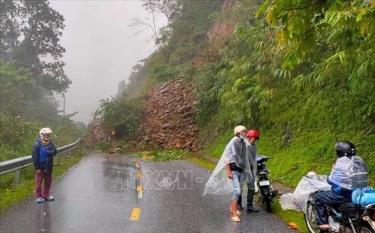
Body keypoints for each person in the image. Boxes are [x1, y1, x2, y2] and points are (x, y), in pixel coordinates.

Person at [315, 141, 368, 230]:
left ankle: (323, 224)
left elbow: (332, 181)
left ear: (339, 152)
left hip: (342, 195)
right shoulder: (358, 161)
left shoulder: (342, 162)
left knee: (318, 197)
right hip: (357, 193)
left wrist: (332, 171)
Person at [223, 125, 248, 222]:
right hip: (233, 170)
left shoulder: (242, 142)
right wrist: (228, 171)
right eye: (243, 132)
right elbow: (227, 157)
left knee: (239, 190)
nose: (245, 134)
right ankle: (234, 214)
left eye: (245, 132)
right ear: (238, 133)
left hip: (240, 170)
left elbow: (243, 157)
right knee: (237, 191)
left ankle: (232, 208)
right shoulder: (234, 141)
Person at [32, 127, 57, 204]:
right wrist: (37, 167)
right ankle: (38, 196)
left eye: (48, 135)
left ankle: (46, 195)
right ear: (41, 135)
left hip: (49, 167)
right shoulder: (37, 144)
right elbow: (35, 157)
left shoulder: (51, 143)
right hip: (40, 167)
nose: (47, 136)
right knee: (38, 183)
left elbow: (55, 152)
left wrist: (51, 151)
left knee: (48, 182)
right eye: (45, 135)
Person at [238, 129, 260, 213]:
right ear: (249, 137)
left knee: (251, 187)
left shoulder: (253, 146)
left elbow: (254, 158)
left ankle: (249, 206)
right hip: (243, 169)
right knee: (240, 187)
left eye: (256, 139)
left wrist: (254, 167)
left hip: (250, 169)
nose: (255, 140)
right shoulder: (244, 145)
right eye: (254, 138)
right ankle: (239, 204)